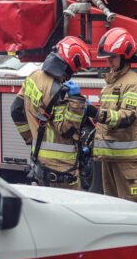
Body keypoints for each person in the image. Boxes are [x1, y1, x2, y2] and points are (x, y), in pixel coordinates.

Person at [10, 36, 94, 189]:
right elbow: (67, 130)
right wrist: (77, 102)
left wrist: (32, 138)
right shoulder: (60, 92)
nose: (74, 73)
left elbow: (16, 110)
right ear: (68, 64)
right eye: (75, 69)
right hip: (63, 173)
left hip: (39, 164)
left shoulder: (33, 77)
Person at [91, 27, 137, 204]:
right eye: (107, 57)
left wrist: (97, 114)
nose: (109, 61)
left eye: (113, 57)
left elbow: (126, 117)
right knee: (114, 209)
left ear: (125, 56)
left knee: (136, 208)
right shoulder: (111, 83)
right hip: (110, 158)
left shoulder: (134, 84)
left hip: (128, 162)